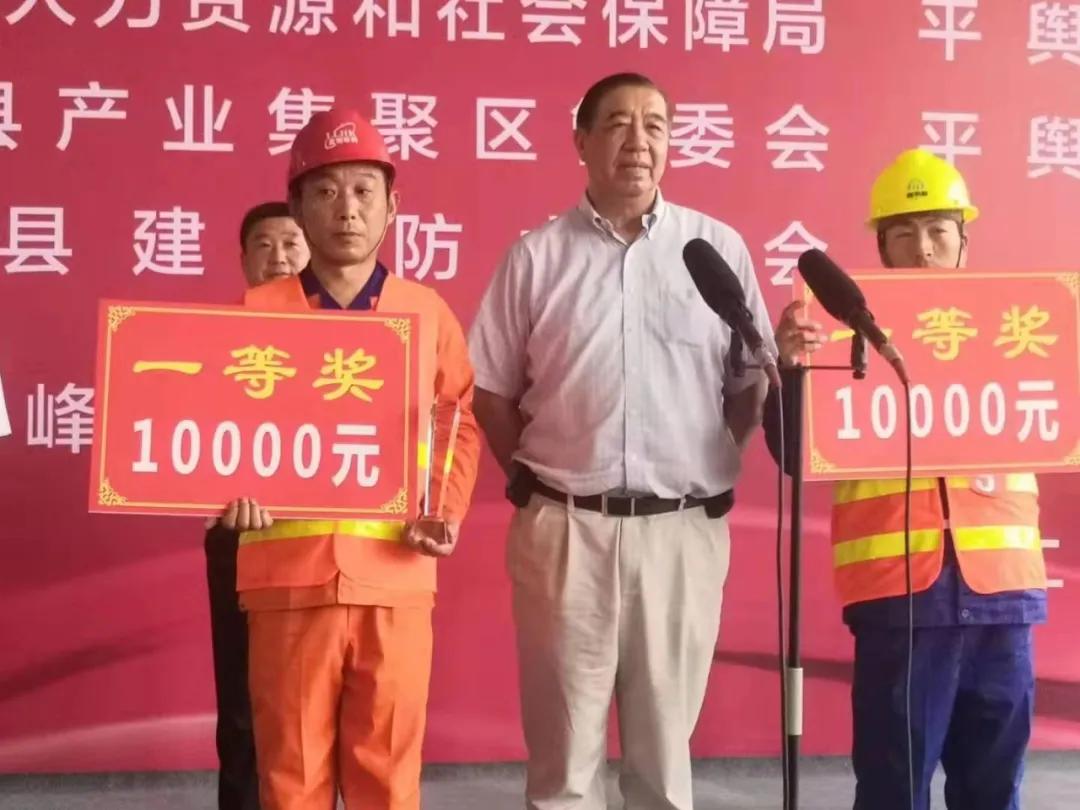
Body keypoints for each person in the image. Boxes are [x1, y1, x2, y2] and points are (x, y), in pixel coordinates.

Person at [468, 72, 775, 810]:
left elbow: (749, 382)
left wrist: (707, 462)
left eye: (655, 125)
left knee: (664, 766)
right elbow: (490, 392)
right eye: (617, 124)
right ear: (582, 141)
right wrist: (530, 482)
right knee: (563, 768)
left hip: (681, 533)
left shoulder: (716, 249)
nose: (639, 142)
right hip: (565, 530)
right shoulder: (537, 257)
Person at [765, 148, 1047, 810]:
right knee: (895, 788)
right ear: (881, 248)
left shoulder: (1021, 329)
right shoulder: (840, 335)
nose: (922, 248)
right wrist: (792, 370)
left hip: (1002, 594)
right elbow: (794, 454)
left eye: (938, 231)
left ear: (964, 239)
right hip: (901, 596)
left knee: (995, 787)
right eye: (904, 233)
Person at [220, 109, 480, 810]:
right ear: (298, 206)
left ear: (393, 206)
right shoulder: (255, 312)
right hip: (287, 583)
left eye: (365, 191)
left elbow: (459, 423)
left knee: (387, 782)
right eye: (327, 192)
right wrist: (227, 490)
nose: (347, 210)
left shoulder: (425, 312)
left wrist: (443, 511)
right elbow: (223, 430)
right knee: (289, 781)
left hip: (396, 576)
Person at [205, 201, 309, 810]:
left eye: (291, 243)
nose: (279, 257)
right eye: (264, 245)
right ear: (243, 260)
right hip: (239, 534)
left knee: (315, 707)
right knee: (244, 706)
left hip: (325, 541)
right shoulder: (214, 345)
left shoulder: (355, 347)